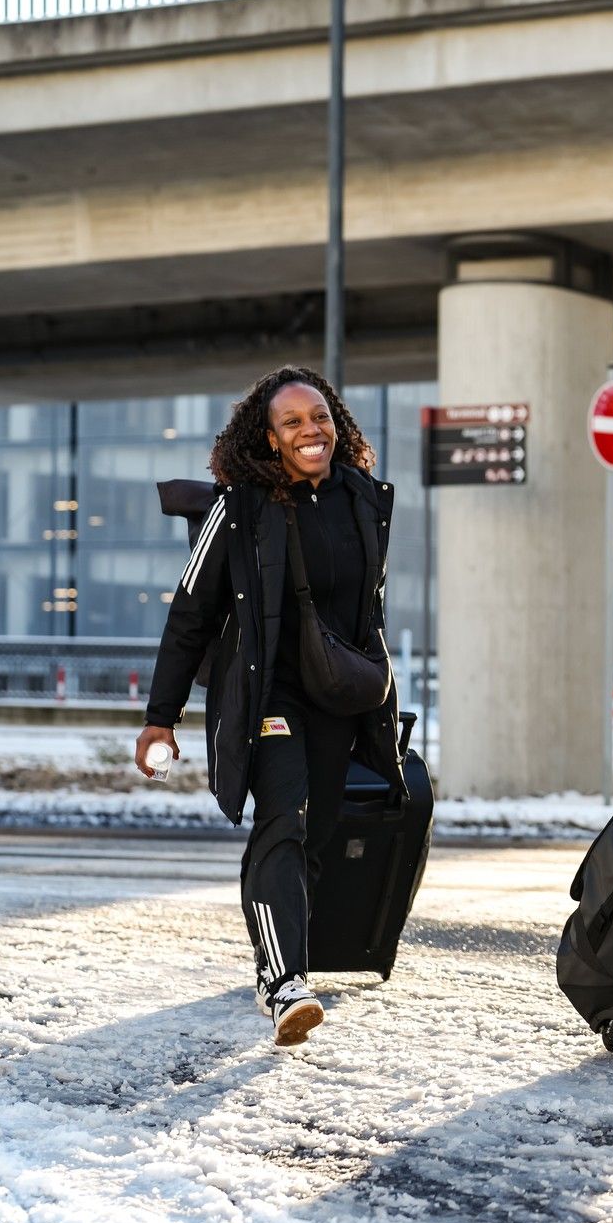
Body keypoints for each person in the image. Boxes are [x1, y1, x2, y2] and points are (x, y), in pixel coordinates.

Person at [134, 366, 405, 1046]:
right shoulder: (243, 508)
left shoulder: (363, 499)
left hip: (337, 697)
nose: (312, 430)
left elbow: (369, 613)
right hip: (268, 695)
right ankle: (283, 982)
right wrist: (159, 716)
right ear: (270, 438)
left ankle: (280, 957)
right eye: (294, 422)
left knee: (314, 835)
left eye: (320, 417)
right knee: (284, 819)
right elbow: (190, 613)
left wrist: (382, 702)